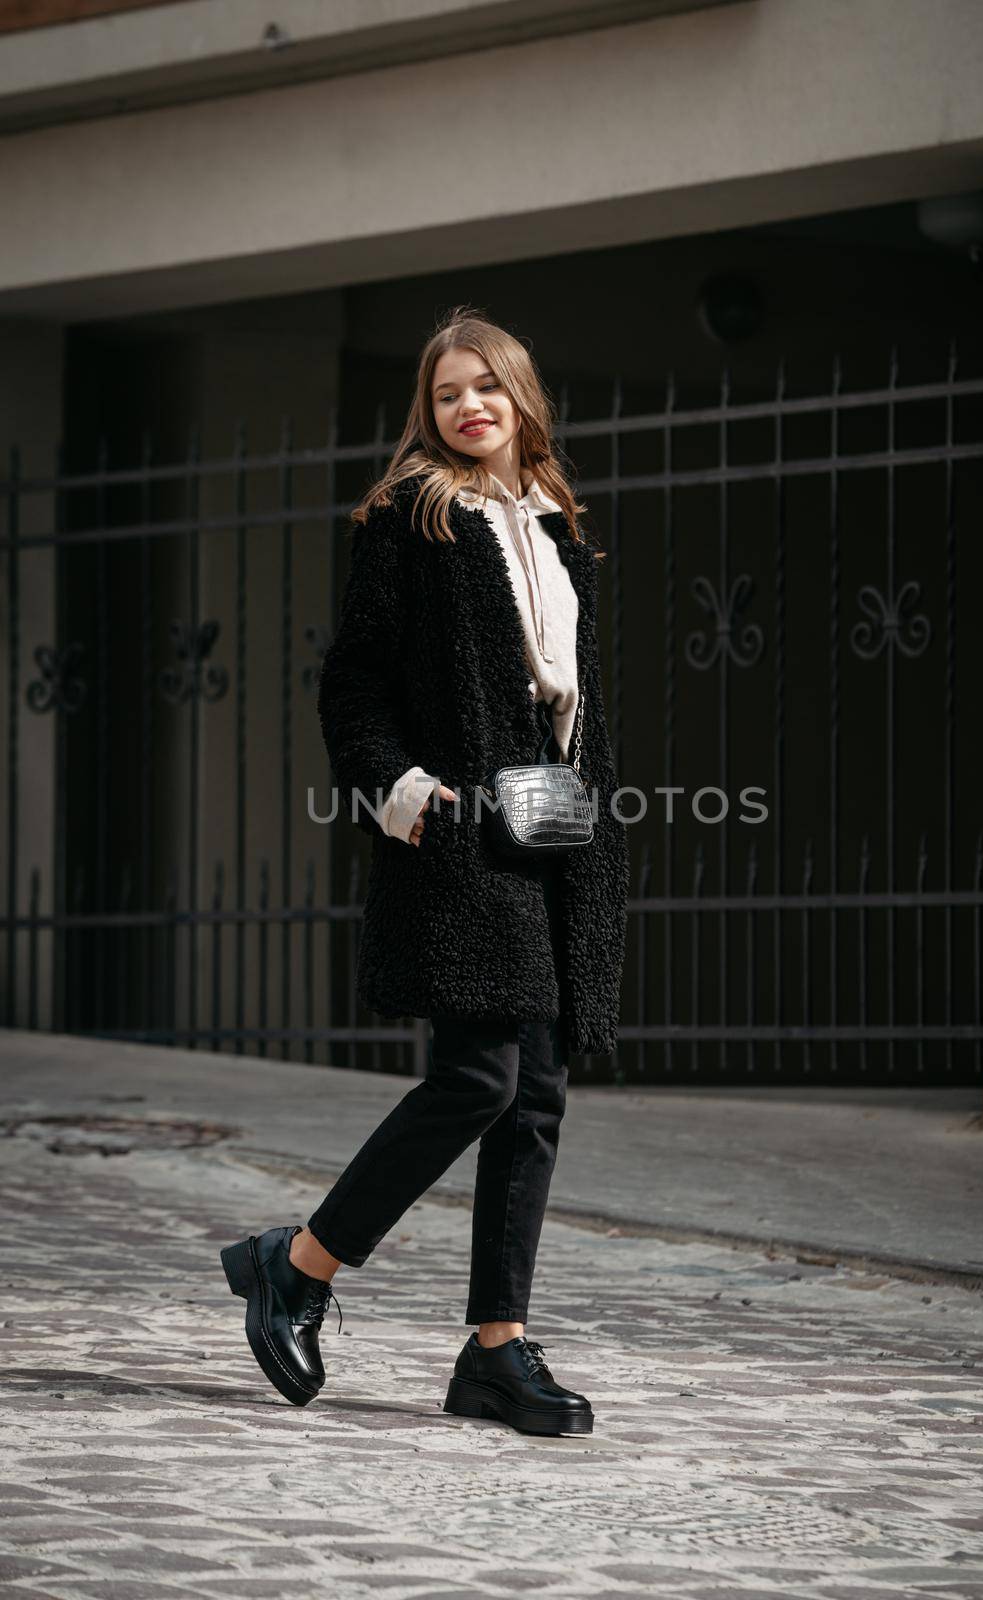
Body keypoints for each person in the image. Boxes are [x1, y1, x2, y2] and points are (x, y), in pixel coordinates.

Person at [220, 306, 629, 1436]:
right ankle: (296, 1266)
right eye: (448, 393)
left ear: (520, 396)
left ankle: (495, 1350)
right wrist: (406, 793)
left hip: (548, 830)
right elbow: (352, 685)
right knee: (479, 1079)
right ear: (431, 409)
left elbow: (568, 699)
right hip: (458, 831)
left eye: (485, 387)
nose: (468, 407)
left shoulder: (556, 526)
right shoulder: (413, 518)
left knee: (534, 1094)